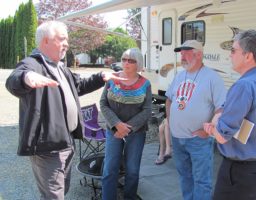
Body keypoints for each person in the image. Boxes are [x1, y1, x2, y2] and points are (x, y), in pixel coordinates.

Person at [5, 20, 119, 200]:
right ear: (45, 41)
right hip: (47, 147)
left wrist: (101, 77)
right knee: (54, 196)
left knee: (60, 191)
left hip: (66, 141)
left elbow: (78, 85)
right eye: (62, 39)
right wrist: (26, 77)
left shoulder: (59, 66)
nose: (67, 43)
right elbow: (13, 80)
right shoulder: (33, 65)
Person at [204, 30, 256, 200]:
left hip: (238, 171)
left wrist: (211, 128)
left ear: (248, 56)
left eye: (233, 50)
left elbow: (222, 136)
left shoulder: (244, 86)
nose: (230, 55)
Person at [165, 40, 226, 200]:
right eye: (181, 52)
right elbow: (169, 99)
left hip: (198, 140)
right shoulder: (179, 75)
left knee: (202, 181)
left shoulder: (212, 77)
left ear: (198, 54)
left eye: (186, 52)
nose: (182, 56)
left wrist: (210, 129)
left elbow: (222, 107)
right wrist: (171, 122)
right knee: (185, 177)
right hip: (177, 138)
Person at [100, 48, 152, 200]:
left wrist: (126, 127)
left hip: (136, 133)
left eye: (131, 60)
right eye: (124, 59)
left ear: (138, 64)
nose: (126, 63)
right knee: (110, 169)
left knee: (132, 170)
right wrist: (117, 124)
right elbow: (103, 103)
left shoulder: (145, 83)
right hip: (114, 131)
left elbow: (147, 110)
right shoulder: (112, 78)